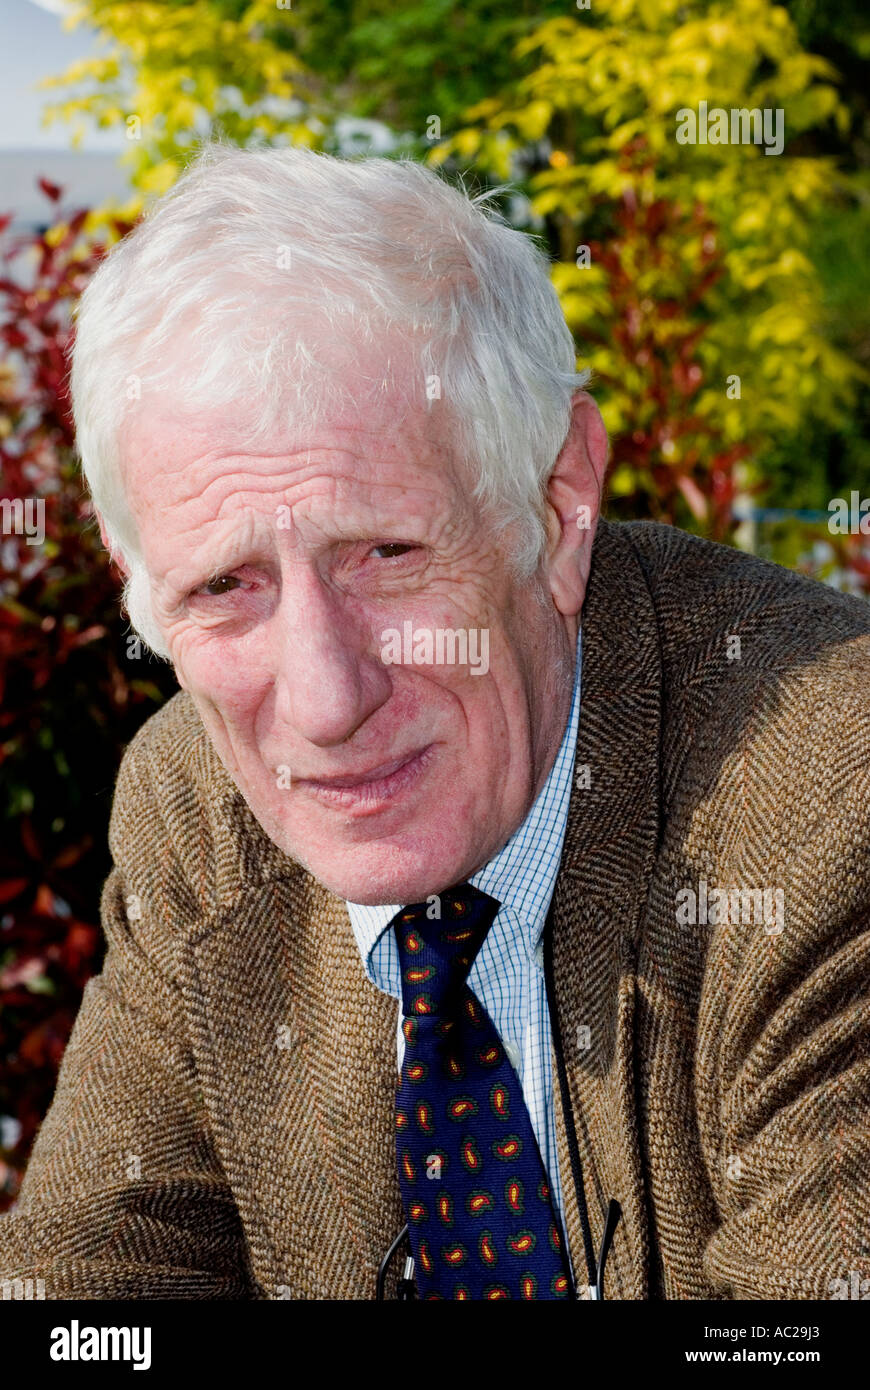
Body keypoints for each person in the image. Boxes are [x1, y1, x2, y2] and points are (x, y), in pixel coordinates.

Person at [1, 144, 868, 1300]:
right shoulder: (196, 808)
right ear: (138, 583)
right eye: (224, 587)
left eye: (388, 555)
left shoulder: (832, 797)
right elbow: (86, 1298)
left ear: (558, 509)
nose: (322, 700)